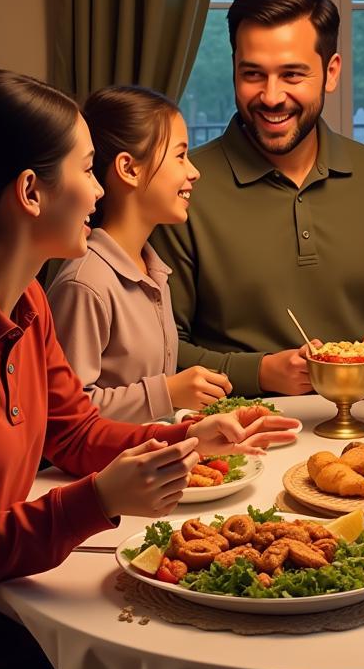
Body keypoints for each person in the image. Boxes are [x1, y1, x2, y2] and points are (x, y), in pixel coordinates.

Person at [0, 70, 298, 669]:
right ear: (29, 193)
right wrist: (101, 500)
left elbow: (75, 433)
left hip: (16, 626)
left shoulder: (27, 307)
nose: (102, 190)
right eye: (87, 168)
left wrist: (185, 437)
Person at [151, 0, 364, 398]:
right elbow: (159, 344)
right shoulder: (183, 187)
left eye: (292, 74)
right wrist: (259, 373)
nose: (271, 96)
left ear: (331, 72)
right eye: (252, 74)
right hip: (235, 438)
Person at [48, 85, 242, 422]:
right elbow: (64, 415)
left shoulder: (154, 272)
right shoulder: (86, 283)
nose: (193, 172)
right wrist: (166, 393)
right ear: (129, 169)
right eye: (180, 156)